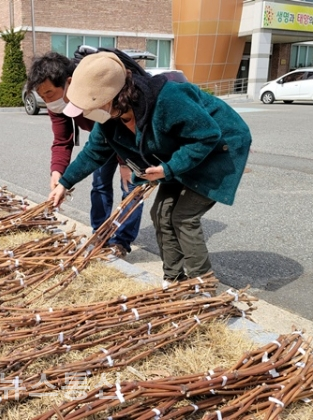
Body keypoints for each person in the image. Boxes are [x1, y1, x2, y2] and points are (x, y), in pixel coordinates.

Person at [49, 52, 252, 281]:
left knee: (183, 217)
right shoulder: (109, 119)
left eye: (86, 107)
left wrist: (170, 168)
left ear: (107, 98)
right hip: (180, 151)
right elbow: (93, 153)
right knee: (161, 214)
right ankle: (174, 279)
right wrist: (65, 183)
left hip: (219, 147)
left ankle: (201, 285)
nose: (85, 114)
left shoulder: (168, 99)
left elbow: (206, 136)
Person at [26, 50, 142, 256]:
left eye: (50, 94)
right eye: (42, 96)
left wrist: (127, 162)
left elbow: (125, 123)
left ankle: (121, 242)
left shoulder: (96, 85)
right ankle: (100, 232)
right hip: (100, 141)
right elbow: (62, 140)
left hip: (128, 140)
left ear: (69, 82)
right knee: (99, 184)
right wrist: (58, 173)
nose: (47, 101)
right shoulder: (57, 104)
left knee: (131, 189)